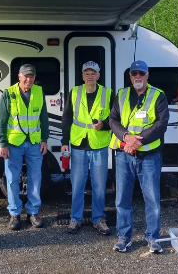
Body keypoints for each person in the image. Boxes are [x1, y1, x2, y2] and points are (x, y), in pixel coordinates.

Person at [109, 60, 169, 253]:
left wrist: (139, 140)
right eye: (134, 73)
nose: (137, 77)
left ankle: (153, 239)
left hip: (149, 155)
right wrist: (126, 138)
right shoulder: (122, 94)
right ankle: (124, 238)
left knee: (152, 199)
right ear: (130, 76)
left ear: (147, 75)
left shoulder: (158, 95)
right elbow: (113, 119)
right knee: (122, 199)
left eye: (141, 73)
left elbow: (162, 123)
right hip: (124, 155)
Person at [61, 61, 114, 235]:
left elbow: (115, 118)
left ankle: (98, 219)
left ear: (99, 76)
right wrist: (64, 141)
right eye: (87, 73)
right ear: (82, 76)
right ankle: (75, 219)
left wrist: (104, 125)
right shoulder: (75, 92)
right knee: (77, 184)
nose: (90, 76)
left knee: (99, 185)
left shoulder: (108, 93)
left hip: (99, 144)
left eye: (93, 73)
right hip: (78, 145)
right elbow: (67, 117)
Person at [0, 64, 49, 231]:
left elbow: (43, 117)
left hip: (34, 142)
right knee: (12, 179)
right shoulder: (9, 93)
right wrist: (3, 143)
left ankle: (33, 212)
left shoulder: (39, 91)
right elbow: (2, 121)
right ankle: (14, 214)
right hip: (14, 144)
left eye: (31, 76)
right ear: (19, 76)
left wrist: (44, 139)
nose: (29, 79)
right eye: (26, 76)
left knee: (36, 178)